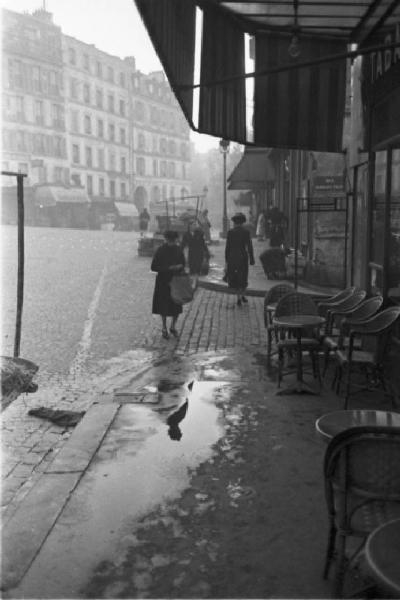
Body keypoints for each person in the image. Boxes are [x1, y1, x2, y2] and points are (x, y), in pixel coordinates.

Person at [151, 230, 185, 339]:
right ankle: (172, 326)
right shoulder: (178, 249)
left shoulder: (160, 250)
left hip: (163, 281)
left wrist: (168, 268)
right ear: (175, 239)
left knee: (164, 305)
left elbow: (154, 267)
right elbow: (183, 264)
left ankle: (164, 327)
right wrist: (175, 267)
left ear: (165, 238)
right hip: (174, 281)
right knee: (176, 305)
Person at [225, 212, 255, 306]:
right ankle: (242, 295)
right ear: (242, 222)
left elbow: (227, 247)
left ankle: (238, 298)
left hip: (232, 258)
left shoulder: (230, 232)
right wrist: (252, 259)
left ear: (234, 222)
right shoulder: (246, 232)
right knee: (243, 276)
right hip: (243, 257)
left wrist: (226, 260)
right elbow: (249, 246)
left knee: (235, 277)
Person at [181, 220, 210, 289]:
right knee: (192, 268)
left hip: (199, 253)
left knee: (197, 268)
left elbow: (203, 244)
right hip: (191, 253)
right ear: (189, 226)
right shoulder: (186, 235)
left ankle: (195, 283)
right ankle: (193, 282)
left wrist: (207, 252)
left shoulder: (200, 234)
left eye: (195, 225)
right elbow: (183, 245)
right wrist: (179, 252)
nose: (195, 226)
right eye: (193, 225)